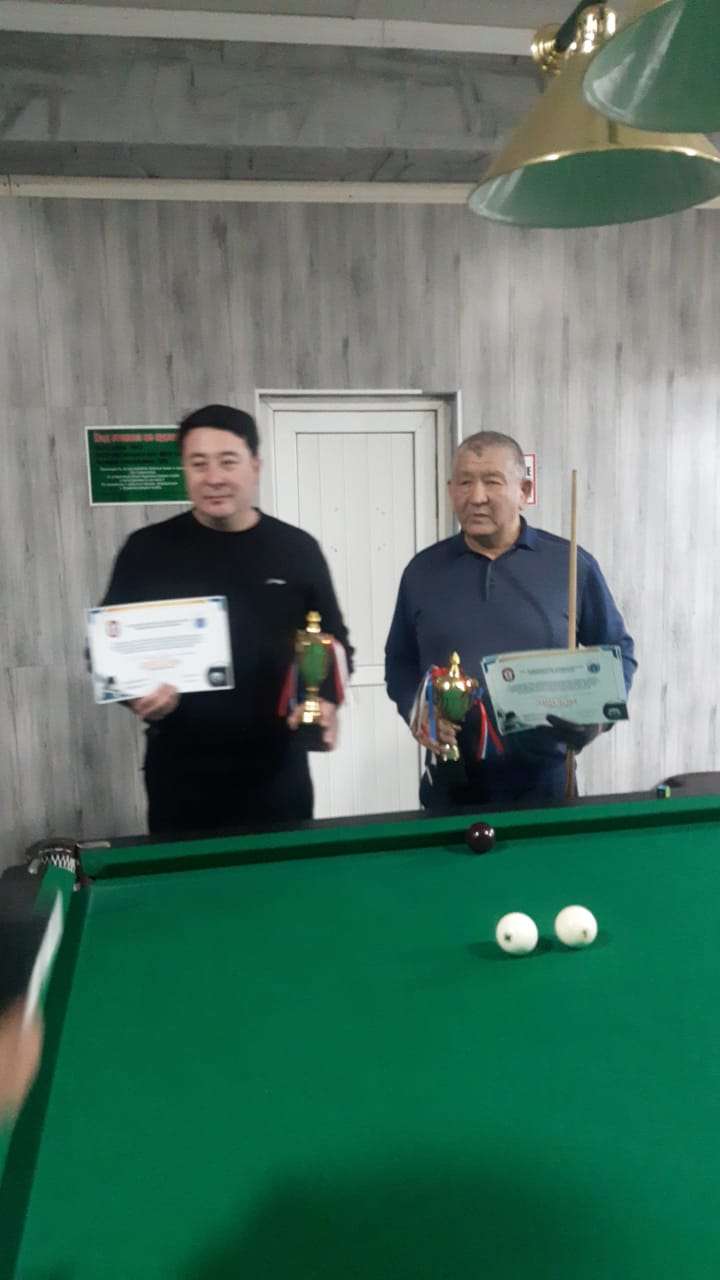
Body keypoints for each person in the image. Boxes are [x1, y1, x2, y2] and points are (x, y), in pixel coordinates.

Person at [101, 404, 353, 834]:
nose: (213, 477)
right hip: (181, 773)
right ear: (184, 470)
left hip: (278, 772)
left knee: (283, 876)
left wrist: (326, 701)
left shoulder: (296, 549)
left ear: (255, 466)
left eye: (228, 461)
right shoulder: (146, 550)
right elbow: (105, 652)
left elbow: (335, 642)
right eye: (199, 463)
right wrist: (135, 692)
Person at [385, 431, 636, 810]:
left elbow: (618, 649)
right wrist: (414, 708)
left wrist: (597, 718)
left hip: (546, 786)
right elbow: (399, 662)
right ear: (451, 490)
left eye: (492, 481)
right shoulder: (422, 572)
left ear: (524, 490)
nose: (476, 496)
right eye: (464, 482)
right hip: (450, 785)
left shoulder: (570, 563)